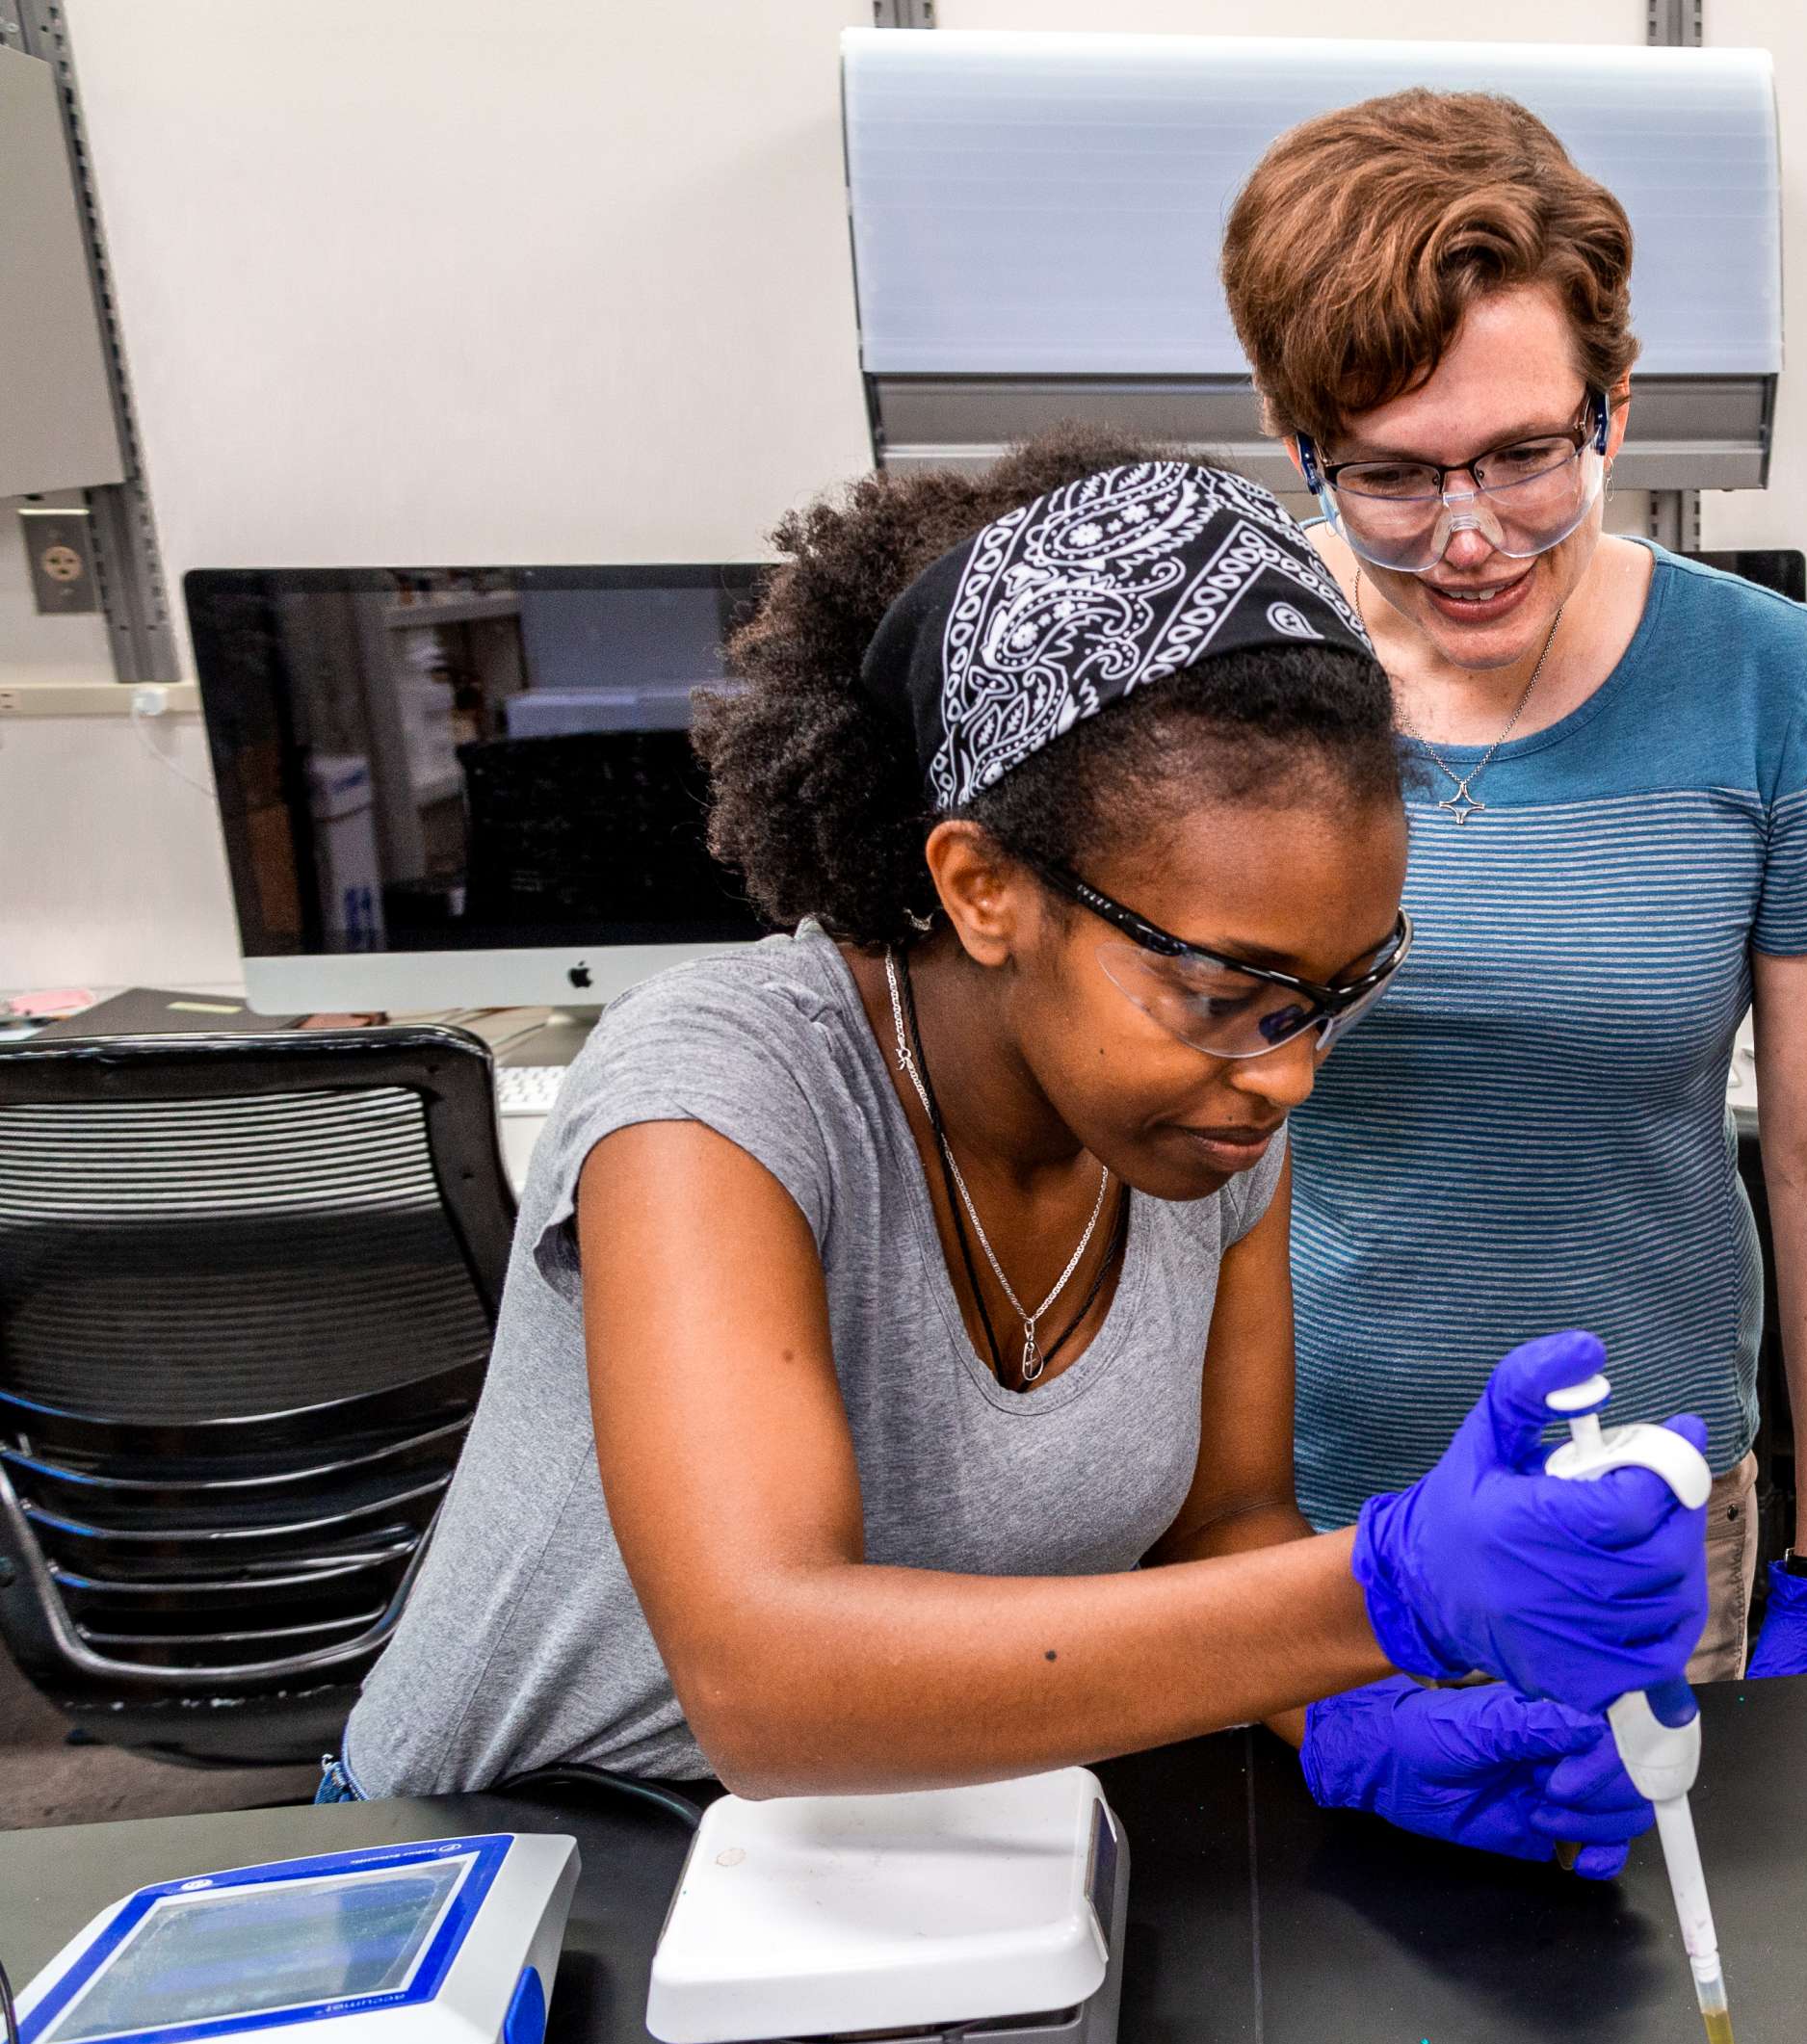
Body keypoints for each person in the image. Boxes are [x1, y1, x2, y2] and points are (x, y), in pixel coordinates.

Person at [336, 435, 1711, 1884]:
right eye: (1225, 992)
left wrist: (1360, 1718)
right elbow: (766, 1679)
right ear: (982, 888)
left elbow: (1219, 1520)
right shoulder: (719, 1093)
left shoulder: (1205, 1128)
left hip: (882, 1866)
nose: (1291, 1070)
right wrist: (1390, 1592)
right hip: (497, 1881)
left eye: (1335, 991)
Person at [1218, 92, 1807, 1675]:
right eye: (1393, 477)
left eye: (1528, 454)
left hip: (1643, 1508)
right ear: (1294, 435)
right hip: (1302, 1521)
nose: (1470, 538)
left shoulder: (1757, 675)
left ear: (1614, 402)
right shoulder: (1224, 694)